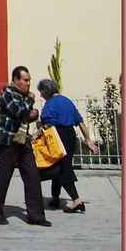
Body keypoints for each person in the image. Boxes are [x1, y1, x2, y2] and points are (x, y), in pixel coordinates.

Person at [0, 66, 51, 226]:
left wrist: (34, 113)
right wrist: (30, 101)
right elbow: (18, 111)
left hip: (23, 141)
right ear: (16, 79)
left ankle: (36, 215)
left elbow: (23, 117)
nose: (28, 83)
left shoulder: (21, 96)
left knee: (32, 176)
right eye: (25, 80)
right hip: (8, 142)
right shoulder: (8, 93)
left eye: (29, 80)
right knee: (4, 177)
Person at [36, 78, 99, 213]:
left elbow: (50, 122)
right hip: (70, 136)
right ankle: (55, 197)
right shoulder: (67, 101)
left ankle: (76, 201)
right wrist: (88, 141)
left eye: (41, 93)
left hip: (58, 136)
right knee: (61, 165)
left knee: (62, 169)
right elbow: (80, 122)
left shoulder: (50, 104)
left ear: (46, 91)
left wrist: (38, 132)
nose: (41, 96)